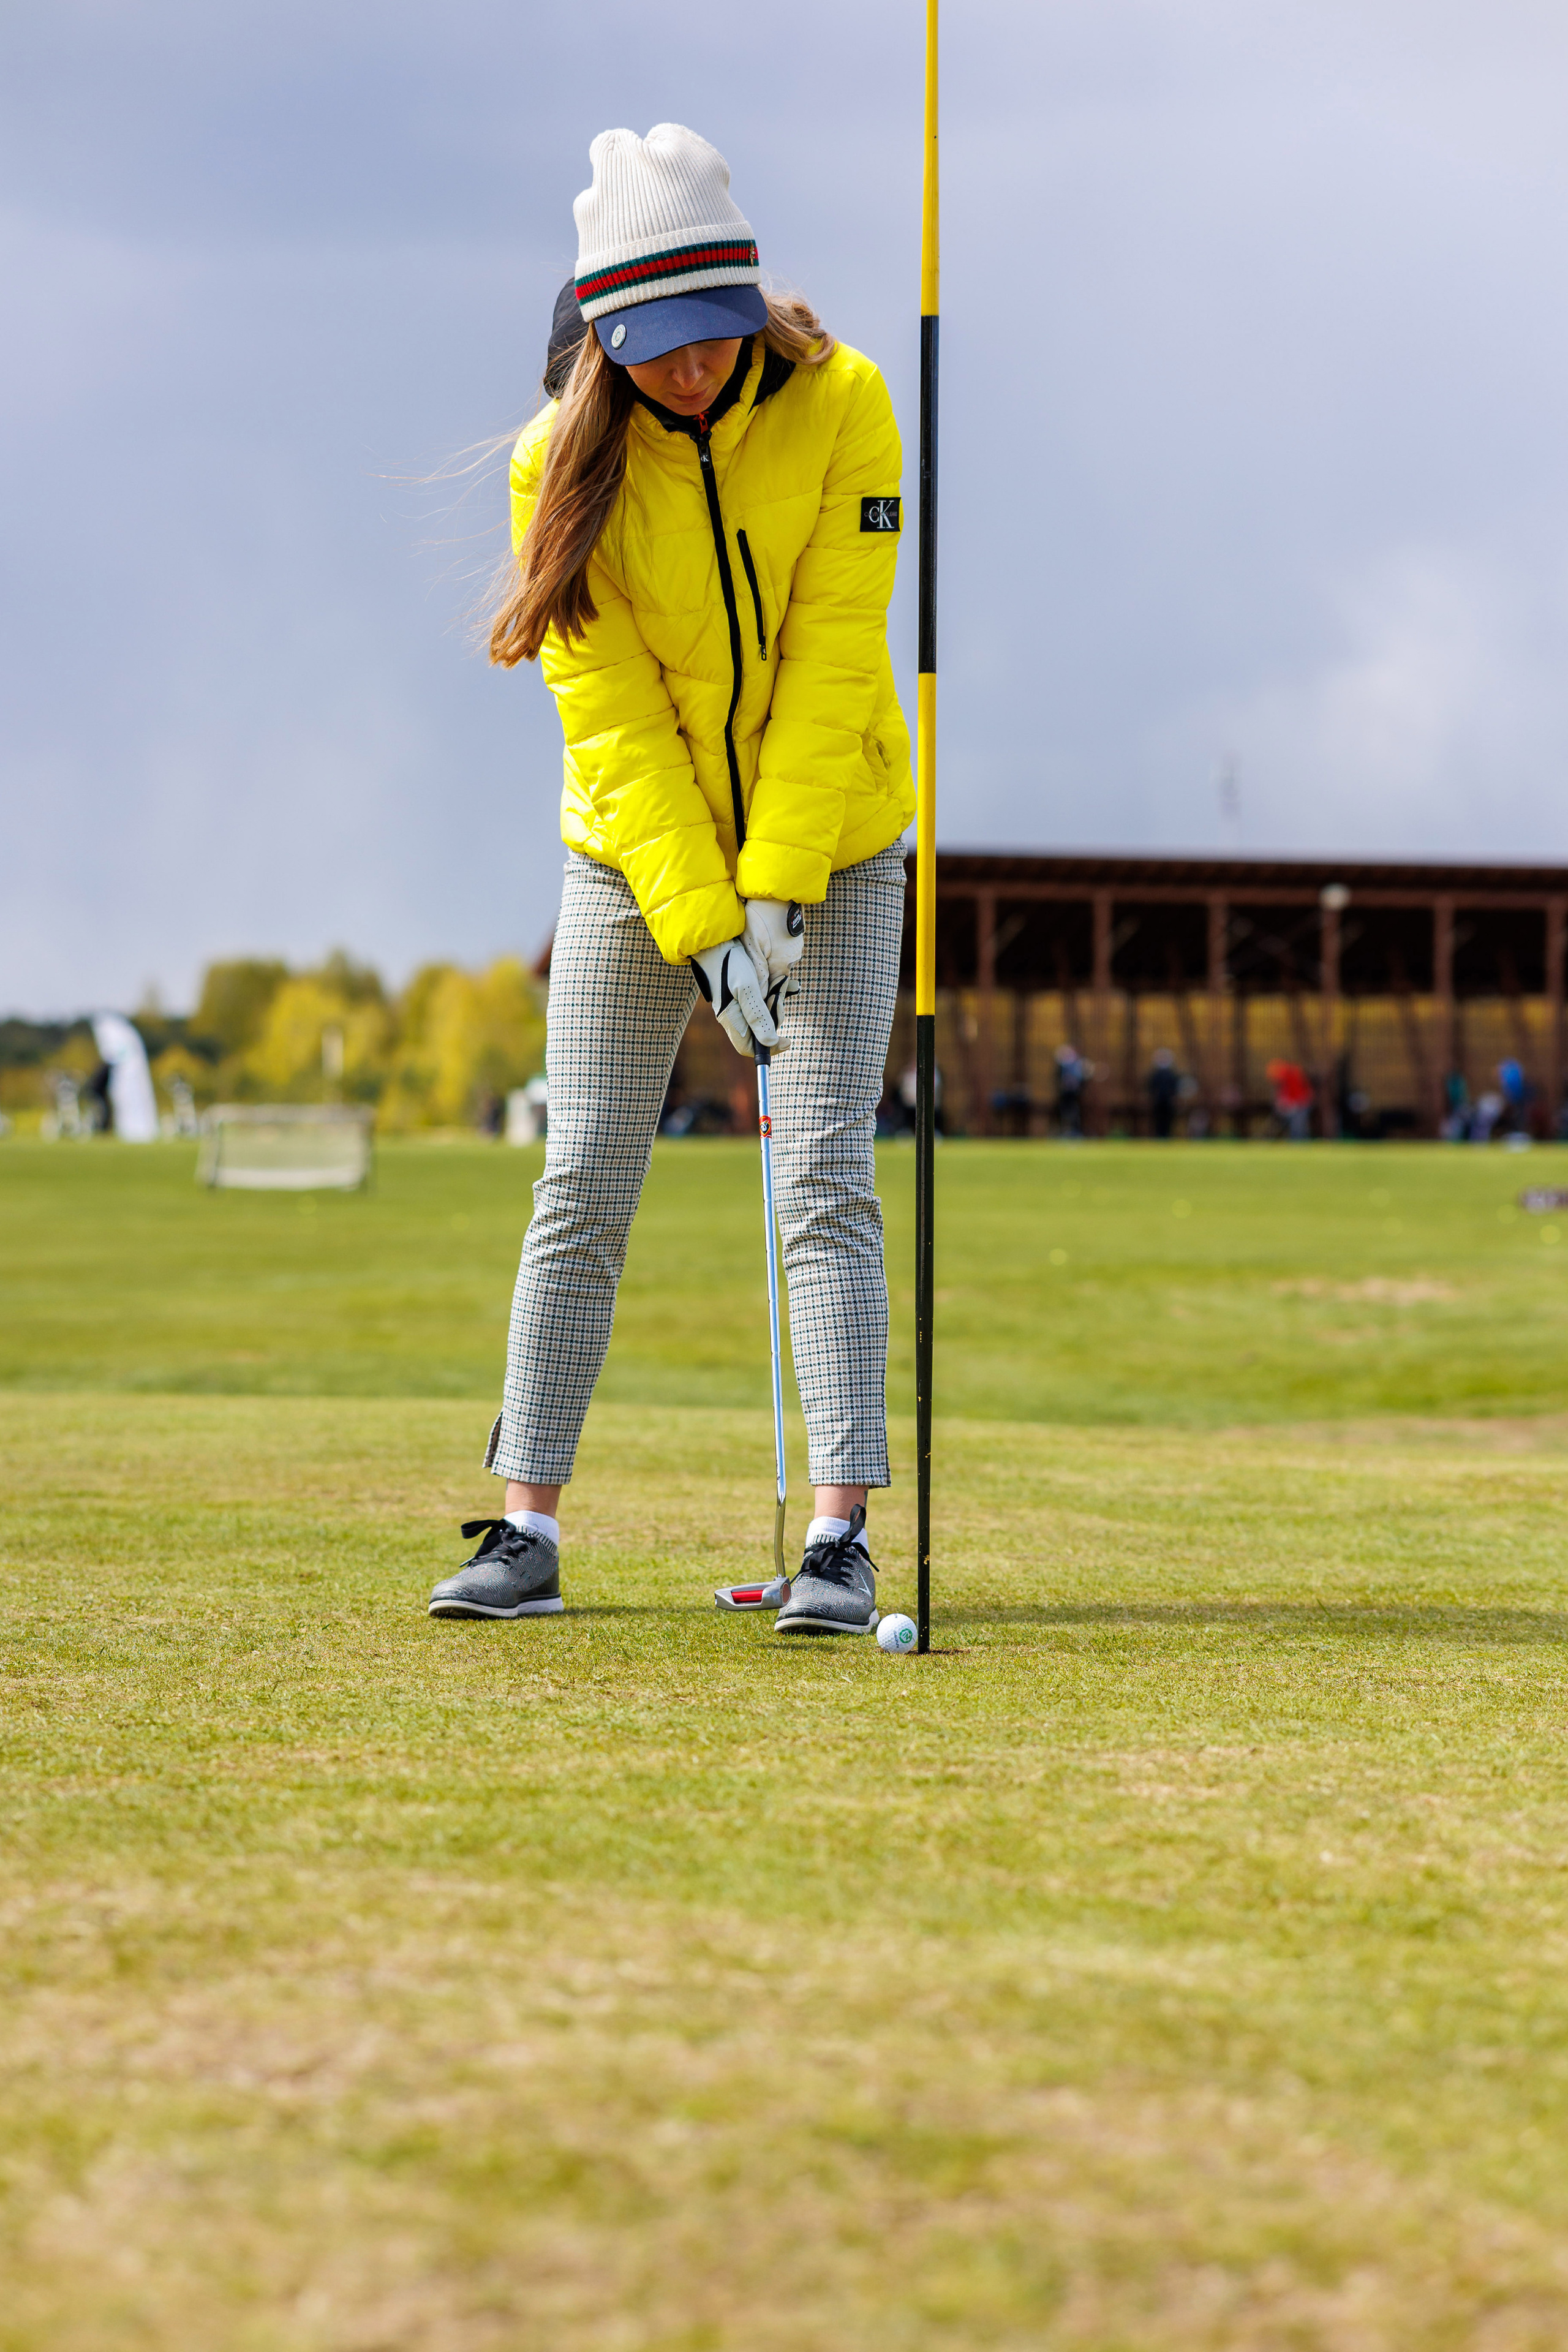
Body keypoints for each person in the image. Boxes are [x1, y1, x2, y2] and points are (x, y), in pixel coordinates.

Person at [428, 124, 914, 1637]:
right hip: (628, 857)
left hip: (837, 839)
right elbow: (617, 725)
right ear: (605, 339)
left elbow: (832, 659)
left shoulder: (844, 403)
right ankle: (524, 1528)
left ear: (746, 302)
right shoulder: (554, 463)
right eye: (656, 349)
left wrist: (775, 894)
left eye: (710, 335)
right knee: (581, 1174)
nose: (691, 372)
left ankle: (836, 1539)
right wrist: (706, 927)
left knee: (821, 1175)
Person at [1145, 1047, 1180, 1139]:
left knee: (1169, 1119)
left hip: (1169, 1101)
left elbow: (1175, 1088)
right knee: (1158, 1119)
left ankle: (1167, 1135)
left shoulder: (1172, 1074)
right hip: (1158, 1100)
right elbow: (1150, 1087)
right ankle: (1159, 1135)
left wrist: (1174, 1098)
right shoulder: (1155, 1074)